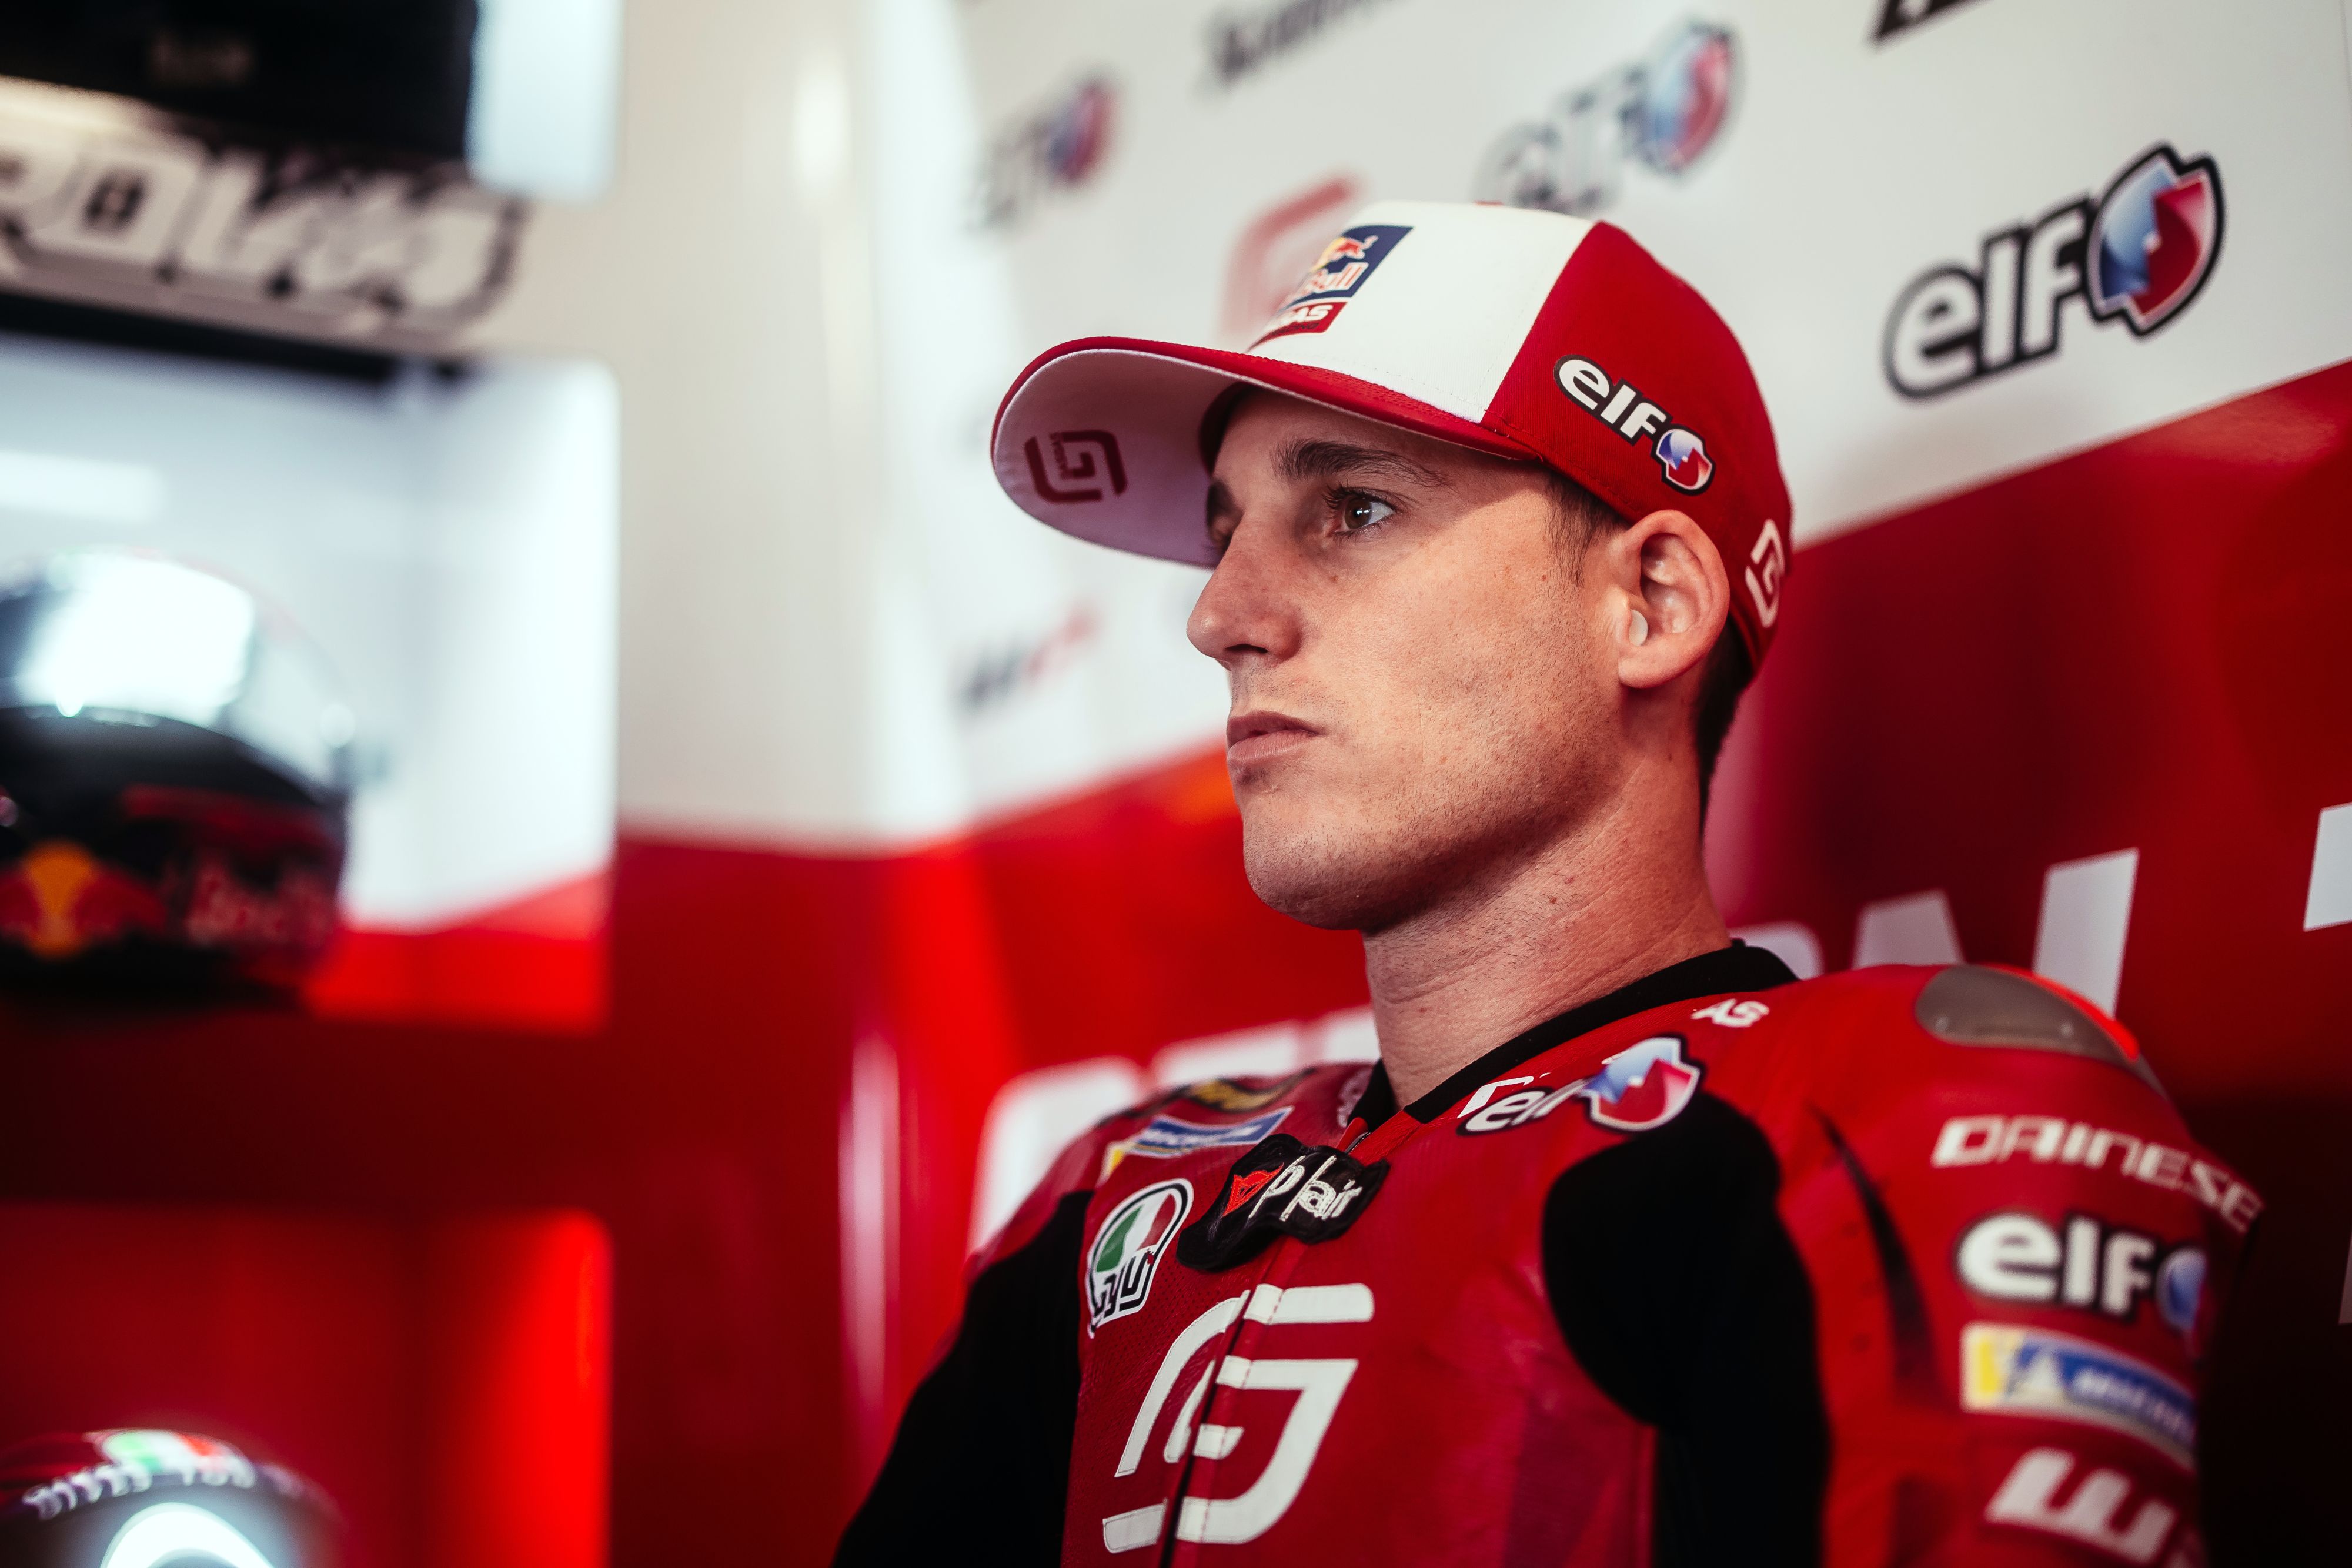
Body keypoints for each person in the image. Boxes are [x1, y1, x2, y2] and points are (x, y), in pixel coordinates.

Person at [835, 201, 2255, 1566]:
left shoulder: (1882, 1121)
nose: (1218, 616)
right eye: (1225, 531)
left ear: (1650, 604)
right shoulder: (1118, 1198)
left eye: (1351, 508)